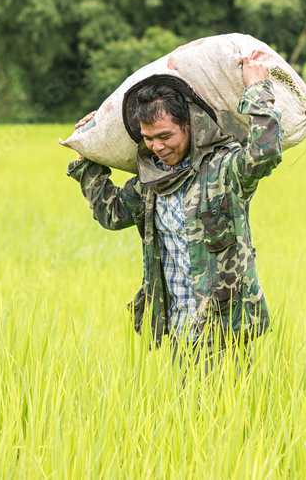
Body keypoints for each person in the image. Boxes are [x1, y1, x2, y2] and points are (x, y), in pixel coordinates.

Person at [66, 58, 280, 376]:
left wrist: (257, 89)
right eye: (148, 139)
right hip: (176, 331)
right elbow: (111, 213)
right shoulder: (151, 181)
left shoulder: (223, 169)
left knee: (228, 416)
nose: (157, 146)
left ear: (189, 125)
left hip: (223, 331)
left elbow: (265, 152)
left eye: (165, 136)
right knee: (185, 419)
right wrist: (87, 154)